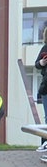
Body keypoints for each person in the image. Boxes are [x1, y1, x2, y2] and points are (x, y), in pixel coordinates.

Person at [35, 27, 47, 157]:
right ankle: (45, 142)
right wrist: (42, 62)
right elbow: (37, 64)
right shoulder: (45, 48)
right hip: (46, 87)